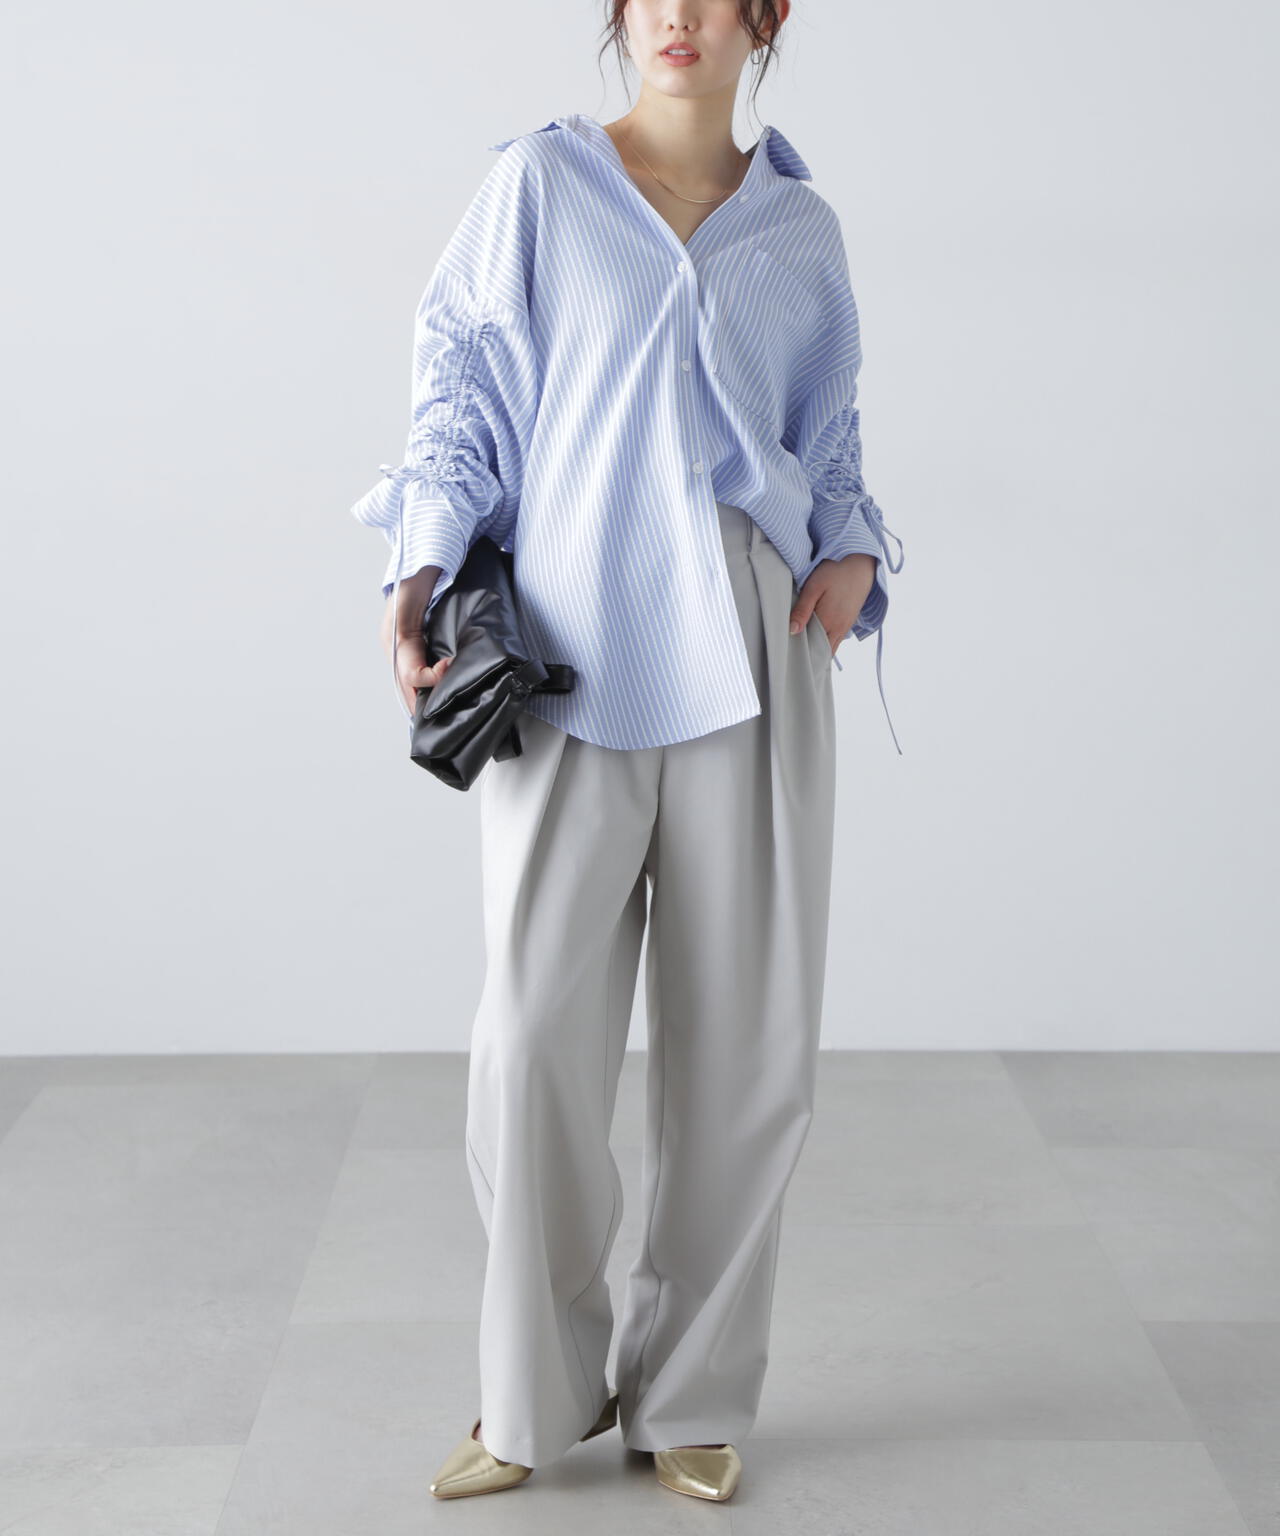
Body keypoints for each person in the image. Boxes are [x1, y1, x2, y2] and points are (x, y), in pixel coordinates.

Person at [349, 0, 904, 1506]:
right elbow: (462, 386)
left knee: (746, 1050)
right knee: (532, 1042)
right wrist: (421, 560)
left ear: (763, 18)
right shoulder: (540, 186)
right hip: (569, 634)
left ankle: (694, 1392)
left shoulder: (801, 228)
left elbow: (829, 430)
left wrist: (851, 545)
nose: (676, 14)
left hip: (753, 633)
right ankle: (532, 1388)